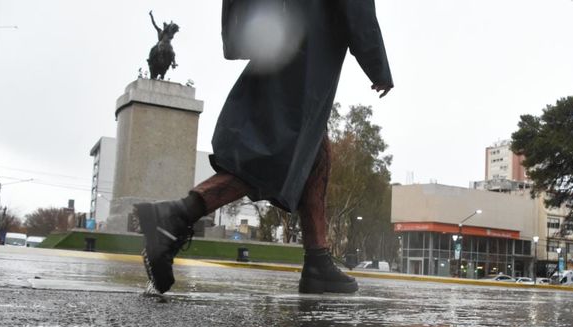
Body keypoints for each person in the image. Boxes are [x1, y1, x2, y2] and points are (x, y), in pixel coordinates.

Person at [134, 0, 393, 295]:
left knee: (309, 147)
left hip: (285, 35)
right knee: (271, 152)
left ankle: (317, 261)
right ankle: (176, 216)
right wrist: (377, 65)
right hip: (306, 49)